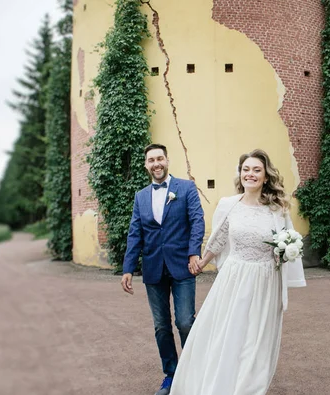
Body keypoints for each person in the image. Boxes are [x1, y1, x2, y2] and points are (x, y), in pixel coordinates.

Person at [170, 149, 306, 395]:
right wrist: (202, 262)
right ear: (240, 174)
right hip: (233, 279)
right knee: (228, 335)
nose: (250, 174)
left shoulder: (277, 210)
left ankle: (248, 388)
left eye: (256, 170)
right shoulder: (228, 205)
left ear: (266, 176)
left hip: (265, 281)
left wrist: (284, 252)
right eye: (246, 169)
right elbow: (219, 238)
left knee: (256, 341)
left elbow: (287, 242)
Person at [120, 143, 205, 395]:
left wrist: (194, 252)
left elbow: (197, 220)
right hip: (154, 268)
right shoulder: (140, 196)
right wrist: (128, 268)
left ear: (167, 160)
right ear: (146, 164)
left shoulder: (186, 188)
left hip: (182, 265)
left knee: (185, 322)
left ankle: (194, 372)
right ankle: (171, 374)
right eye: (151, 160)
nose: (156, 164)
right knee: (161, 326)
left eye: (160, 159)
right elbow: (135, 233)